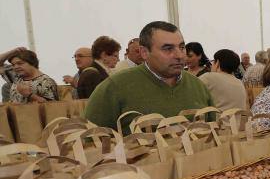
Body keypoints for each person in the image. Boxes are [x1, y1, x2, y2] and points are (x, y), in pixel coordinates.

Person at [84, 22, 214, 132]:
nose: (179, 55)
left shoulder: (198, 86)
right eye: (168, 49)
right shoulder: (114, 88)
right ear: (144, 53)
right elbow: (90, 143)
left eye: (181, 47)